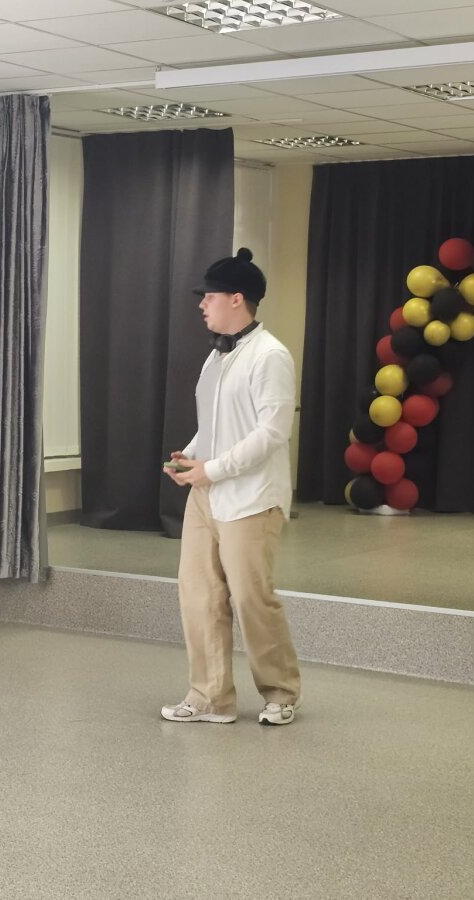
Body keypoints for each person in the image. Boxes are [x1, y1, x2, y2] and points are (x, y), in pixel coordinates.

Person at [161, 248, 302, 726]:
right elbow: (215, 424)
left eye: (210, 296)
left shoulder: (271, 356)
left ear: (237, 299)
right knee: (198, 594)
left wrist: (214, 469)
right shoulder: (215, 358)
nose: (202, 305)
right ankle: (210, 697)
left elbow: (272, 432)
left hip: (251, 498)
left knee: (251, 598)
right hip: (207, 493)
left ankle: (280, 692)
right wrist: (190, 456)